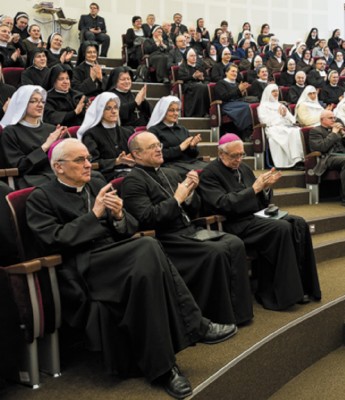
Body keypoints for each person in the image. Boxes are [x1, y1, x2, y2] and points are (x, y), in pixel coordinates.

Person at [26, 137, 236, 398]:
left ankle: (165, 369)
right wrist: (95, 215)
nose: (88, 165)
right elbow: (53, 240)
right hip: (83, 266)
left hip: (116, 257)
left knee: (148, 268)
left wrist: (118, 216)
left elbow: (129, 227)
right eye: (80, 160)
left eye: (88, 159)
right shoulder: (41, 197)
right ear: (58, 167)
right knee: (148, 246)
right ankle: (196, 324)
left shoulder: (97, 184)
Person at [122, 131, 254, 325]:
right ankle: (215, 317)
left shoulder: (170, 172)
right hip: (167, 238)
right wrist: (178, 199)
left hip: (188, 229)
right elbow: (147, 218)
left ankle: (240, 314)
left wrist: (191, 195)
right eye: (152, 147)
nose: (159, 149)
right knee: (215, 251)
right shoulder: (132, 181)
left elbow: (194, 208)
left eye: (159, 144)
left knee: (234, 242)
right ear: (137, 155)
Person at [198, 133, 321, 309]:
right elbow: (222, 204)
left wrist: (265, 188)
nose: (239, 159)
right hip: (234, 224)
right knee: (280, 228)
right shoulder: (210, 174)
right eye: (234, 156)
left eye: (241, 155)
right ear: (221, 154)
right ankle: (276, 295)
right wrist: (254, 189)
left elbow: (262, 201)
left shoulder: (244, 168)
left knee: (298, 223)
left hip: (254, 217)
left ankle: (302, 287)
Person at [0, 85, 68, 188]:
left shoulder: (51, 129)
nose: (40, 105)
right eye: (33, 101)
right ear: (22, 104)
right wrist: (46, 146)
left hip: (55, 172)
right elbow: (19, 167)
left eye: (42, 101)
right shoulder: (10, 132)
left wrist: (60, 144)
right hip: (30, 178)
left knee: (94, 177)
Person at [310, 110, 345, 208]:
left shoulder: (338, 131)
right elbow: (322, 148)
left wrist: (344, 135)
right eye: (330, 118)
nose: (333, 120)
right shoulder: (316, 131)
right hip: (328, 158)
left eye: (334, 118)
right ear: (322, 120)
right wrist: (333, 134)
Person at [77, 92, 134, 181]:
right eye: (108, 108)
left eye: (116, 108)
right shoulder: (91, 134)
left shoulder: (128, 132)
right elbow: (91, 163)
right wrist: (116, 161)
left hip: (131, 172)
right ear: (100, 111)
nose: (114, 111)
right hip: (105, 176)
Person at [146, 96, 209, 175]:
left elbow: (194, 155)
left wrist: (192, 147)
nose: (176, 113)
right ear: (163, 112)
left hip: (190, 162)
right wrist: (179, 148)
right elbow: (156, 154)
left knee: (212, 169)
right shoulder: (154, 131)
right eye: (171, 110)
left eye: (177, 110)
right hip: (170, 165)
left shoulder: (182, 129)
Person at [257, 84, 305, 168]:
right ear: (268, 93)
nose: (276, 93)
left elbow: (292, 120)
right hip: (272, 128)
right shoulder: (263, 106)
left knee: (297, 131)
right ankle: (295, 160)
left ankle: (300, 158)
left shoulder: (281, 105)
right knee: (290, 133)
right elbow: (265, 121)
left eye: (277, 91)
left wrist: (285, 115)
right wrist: (280, 117)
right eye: (273, 91)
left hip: (284, 126)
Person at [213, 63, 253, 138]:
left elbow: (238, 97)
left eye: (236, 72)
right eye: (233, 71)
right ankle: (246, 132)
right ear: (226, 72)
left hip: (237, 104)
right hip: (226, 106)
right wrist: (238, 90)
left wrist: (242, 93)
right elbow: (224, 97)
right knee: (247, 107)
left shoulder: (237, 83)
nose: (235, 73)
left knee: (252, 105)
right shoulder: (221, 83)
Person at [177, 48, 210, 118]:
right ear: (187, 57)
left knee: (206, 86)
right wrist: (193, 77)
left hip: (200, 85)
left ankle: (206, 112)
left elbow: (208, 79)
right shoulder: (183, 67)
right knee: (201, 87)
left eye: (195, 56)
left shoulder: (199, 67)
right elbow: (180, 78)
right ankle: (200, 113)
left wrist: (203, 79)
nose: (194, 57)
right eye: (191, 56)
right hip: (188, 86)